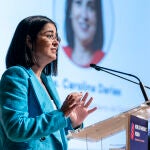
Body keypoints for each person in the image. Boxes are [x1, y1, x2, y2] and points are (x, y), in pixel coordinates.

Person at [0, 15, 97, 150]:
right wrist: (61, 114)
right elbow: (16, 128)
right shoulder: (16, 75)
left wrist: (72, 122)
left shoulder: (47, 81)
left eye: (57, 37)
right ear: (29, 40)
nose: (56, 42)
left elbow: (50, 134)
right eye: (50, 36)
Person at [63, 0, 104, 68]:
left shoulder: (107, 61)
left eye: (91, 7)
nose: (84, 15)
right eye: (79, 3)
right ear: (70, 10)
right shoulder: (56, 54)